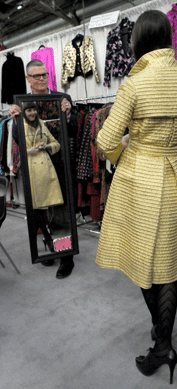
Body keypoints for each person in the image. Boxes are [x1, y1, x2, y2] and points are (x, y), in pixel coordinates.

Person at [95, 10, 177, 384]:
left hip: (139, 179)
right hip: (174, 175)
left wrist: (131, 143)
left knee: (142, 258)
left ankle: (162, 341)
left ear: (137, 42)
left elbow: (105, 143)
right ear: (169, 37)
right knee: (165, 259)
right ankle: (162, 338)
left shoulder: (134, 86)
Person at [10, 59, 78, 279]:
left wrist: (68, 114)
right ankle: (50, 245)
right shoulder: (22, 104)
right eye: (36, 76)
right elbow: (16, 138)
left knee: (61, 212)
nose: (41, 79)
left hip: (60, 165)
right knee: (40, 212)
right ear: (28, 79)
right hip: (36, 167)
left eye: (44, 75)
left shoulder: (62, 99)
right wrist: (14, 118)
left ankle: (65, 255)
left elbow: (74, 129)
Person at [23, 101, 63, 252]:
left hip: (45, 169)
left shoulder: (42, 125)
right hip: (32, 170)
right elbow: (15, 151)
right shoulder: (19, 126)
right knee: (37, 208)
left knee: (40, 208)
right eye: (28, 110)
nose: (32, 113)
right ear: (24, 112)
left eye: (34, 110)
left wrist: (47, 146)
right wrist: (28, 151)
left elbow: (56, 143)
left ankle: (46, 244)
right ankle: (47, 240)